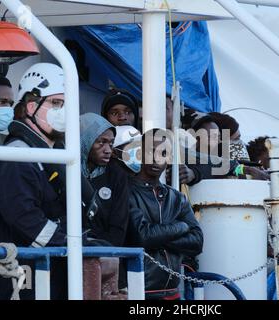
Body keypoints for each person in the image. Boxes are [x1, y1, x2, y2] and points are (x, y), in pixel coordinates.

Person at [0, 63, 68, 299]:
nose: (62, 111)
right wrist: (71, 243)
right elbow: (23, 216)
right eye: (55, 103)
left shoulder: (55, 154)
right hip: (21, 275)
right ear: (32, 106)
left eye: (64, 105)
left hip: (48, 271)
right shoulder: (18, 155)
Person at [128, 129, 203, 300]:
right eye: (150, 151)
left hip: (173, 291)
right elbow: (142, 237)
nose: (156, 158)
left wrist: (158, 238)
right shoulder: (127, 191)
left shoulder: (176, 197)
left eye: (163, 153)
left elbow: (198, 242)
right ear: (140, 153)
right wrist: (181, 227)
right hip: (139, 290)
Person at [80, 113, 130, 247]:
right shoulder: (67, 170)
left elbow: (119, 226)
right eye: (101, 142)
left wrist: (106, 251)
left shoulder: (116, 174)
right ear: (85, 139)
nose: (108, 150)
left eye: (111, 143)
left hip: (107, 253)